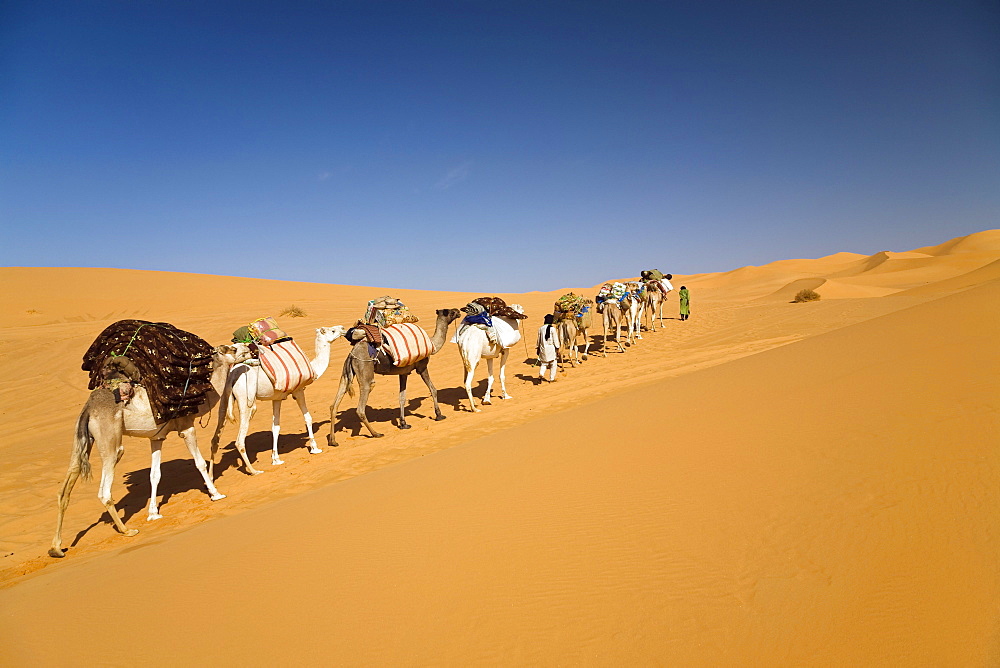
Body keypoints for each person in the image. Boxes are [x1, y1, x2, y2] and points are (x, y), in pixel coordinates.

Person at [535, 314, 561, 382]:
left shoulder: (540, 329)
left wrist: (538, 348)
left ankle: (541, 374)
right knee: (553, 363)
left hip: (543, 348)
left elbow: (539, 340)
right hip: (551, 349)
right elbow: (555, 340)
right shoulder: (552, 329)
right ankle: (552, 378)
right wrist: (558, 349)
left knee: (544, 363)